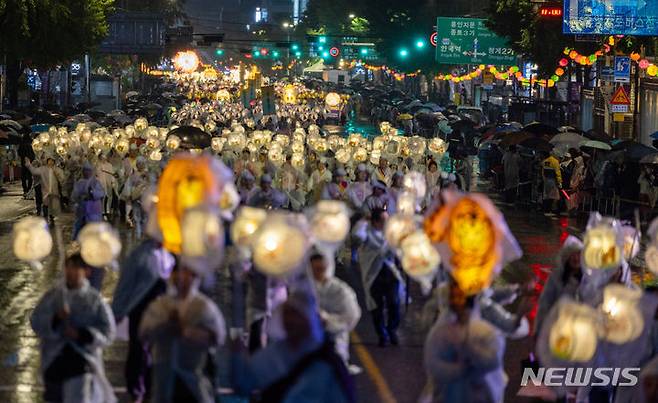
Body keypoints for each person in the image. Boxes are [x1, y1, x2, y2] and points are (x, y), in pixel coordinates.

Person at [231, 291, 356, 403]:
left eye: (297, 315)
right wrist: (238, 356)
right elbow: (245, 384)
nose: (290, 320)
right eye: (287, 314)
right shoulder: (273, 353)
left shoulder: (326, 362)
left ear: (309, 320)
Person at [30, 253, 116, 403]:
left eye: (76, 267)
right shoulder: (53, 296)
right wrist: (56, 319)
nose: (71, 271)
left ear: (86, 272)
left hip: (80, 364)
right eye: (68, 267)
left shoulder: (94, 300)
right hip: (53, 363)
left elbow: (108, 332)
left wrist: (82, 335)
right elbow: (36, 322)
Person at [139, 263, 226, 403]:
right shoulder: (161, 305)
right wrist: (165, 327)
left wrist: (186, 332)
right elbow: (144, 333)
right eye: (177, 271)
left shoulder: (203, 306)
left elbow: (217, 337)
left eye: (186, 272)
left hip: (192, 375)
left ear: (194, 276)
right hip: (163, 375)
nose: (180, 276)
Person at [111, 237, 174, 403]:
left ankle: (149, 387)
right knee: (139, 349)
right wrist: (117, 311)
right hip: (141, 309)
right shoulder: (140, 255)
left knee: (155, 351)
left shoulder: (167, 254)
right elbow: (126, 284)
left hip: (160, 311)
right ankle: (137, 388)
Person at [423, 279, 506, 403]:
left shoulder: (484, 331)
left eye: (460, 297)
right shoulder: (441, 332)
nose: (456, 301)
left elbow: (492, 361)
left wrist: (469, 348)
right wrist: (457, 370)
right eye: (453, 296)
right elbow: (433, 363)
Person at [352, 208, 402, 347]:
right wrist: (363, 221)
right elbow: (356, 237)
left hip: (390, 274)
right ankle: (382, 335)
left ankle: (392, 330)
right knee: (376, 307)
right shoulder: (366, 232)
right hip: (374, 276)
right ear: (374, 221)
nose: (387, 222)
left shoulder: (390, 233)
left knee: (394, 303)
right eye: (383, 220)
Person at [309, 253, 361, 372]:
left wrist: (327, 321)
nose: (319, 273)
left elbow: (351, 316)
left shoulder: (341, 290)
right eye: (315, 270)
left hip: (335, 343)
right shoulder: (302, 290)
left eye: (321, 269)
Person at [71, 162, 105, 239]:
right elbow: (74, 196)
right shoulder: (79, 182)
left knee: (93, 228)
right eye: (85, 170)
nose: (87, 172)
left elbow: (102, 193)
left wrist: (92, 192)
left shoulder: (95, 182)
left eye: (88, 170)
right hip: (82, 208)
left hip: (94, 208)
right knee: (80, 228)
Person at [26, 155, 64, 221]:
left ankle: (51, 217)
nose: (51, 162)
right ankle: (45, 217)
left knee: (52, 205)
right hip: (45, 190)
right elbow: (34, 171)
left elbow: (62, 178)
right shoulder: (43, 169)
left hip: (54, 191)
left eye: (52, 161)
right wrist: (28, 164)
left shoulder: (56, 169)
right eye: (49, 161)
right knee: (46, 203)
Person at [542, 151, 562, 215]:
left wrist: (544, 179)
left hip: (546, 180)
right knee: (553, 196)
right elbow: (557, 173)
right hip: (553, 180)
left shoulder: (544, 161)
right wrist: (559, 182)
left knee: (546, 195)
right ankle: (549, 210)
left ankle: (546, 210)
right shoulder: (555, 161)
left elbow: (543, 172)